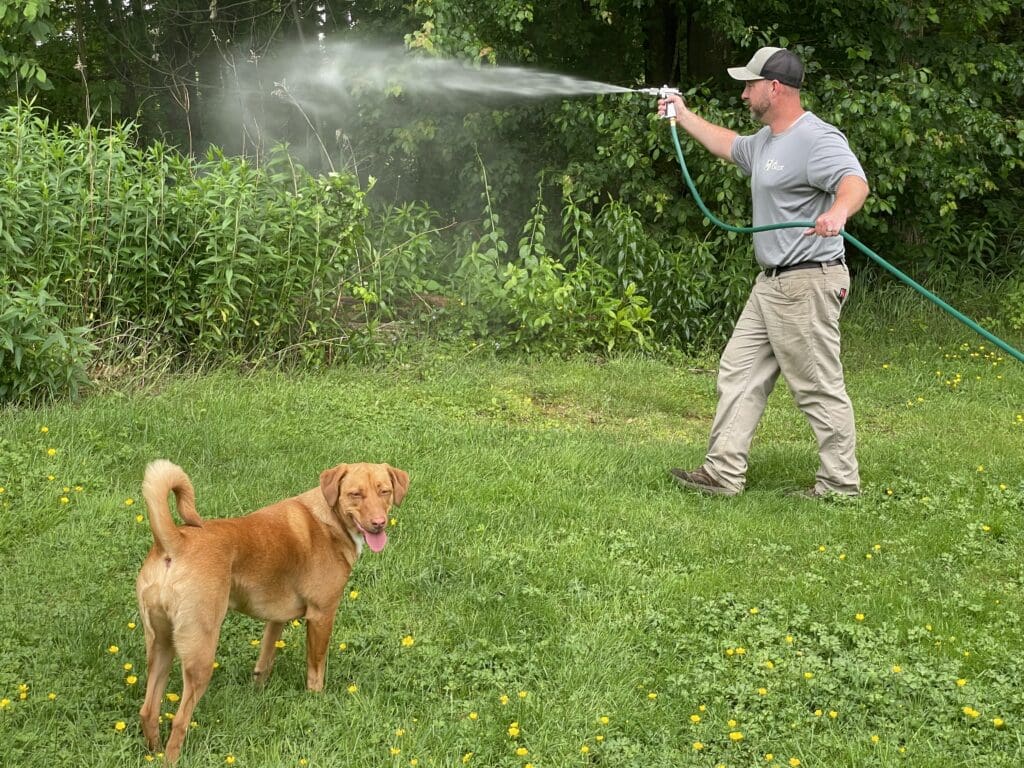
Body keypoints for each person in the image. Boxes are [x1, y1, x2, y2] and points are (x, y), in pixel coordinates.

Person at [658, 47, 869, 498]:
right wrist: (683, 113)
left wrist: (838, 212)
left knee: (817, 386)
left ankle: (839, 485)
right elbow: (726, 145)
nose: (744, 93)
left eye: (750, 85)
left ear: (774, 88)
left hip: (808, 280)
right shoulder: (766, 141)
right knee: (739, 371)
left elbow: (855, 181)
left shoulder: (816, 138)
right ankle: (722, 474)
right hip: (771, 284)